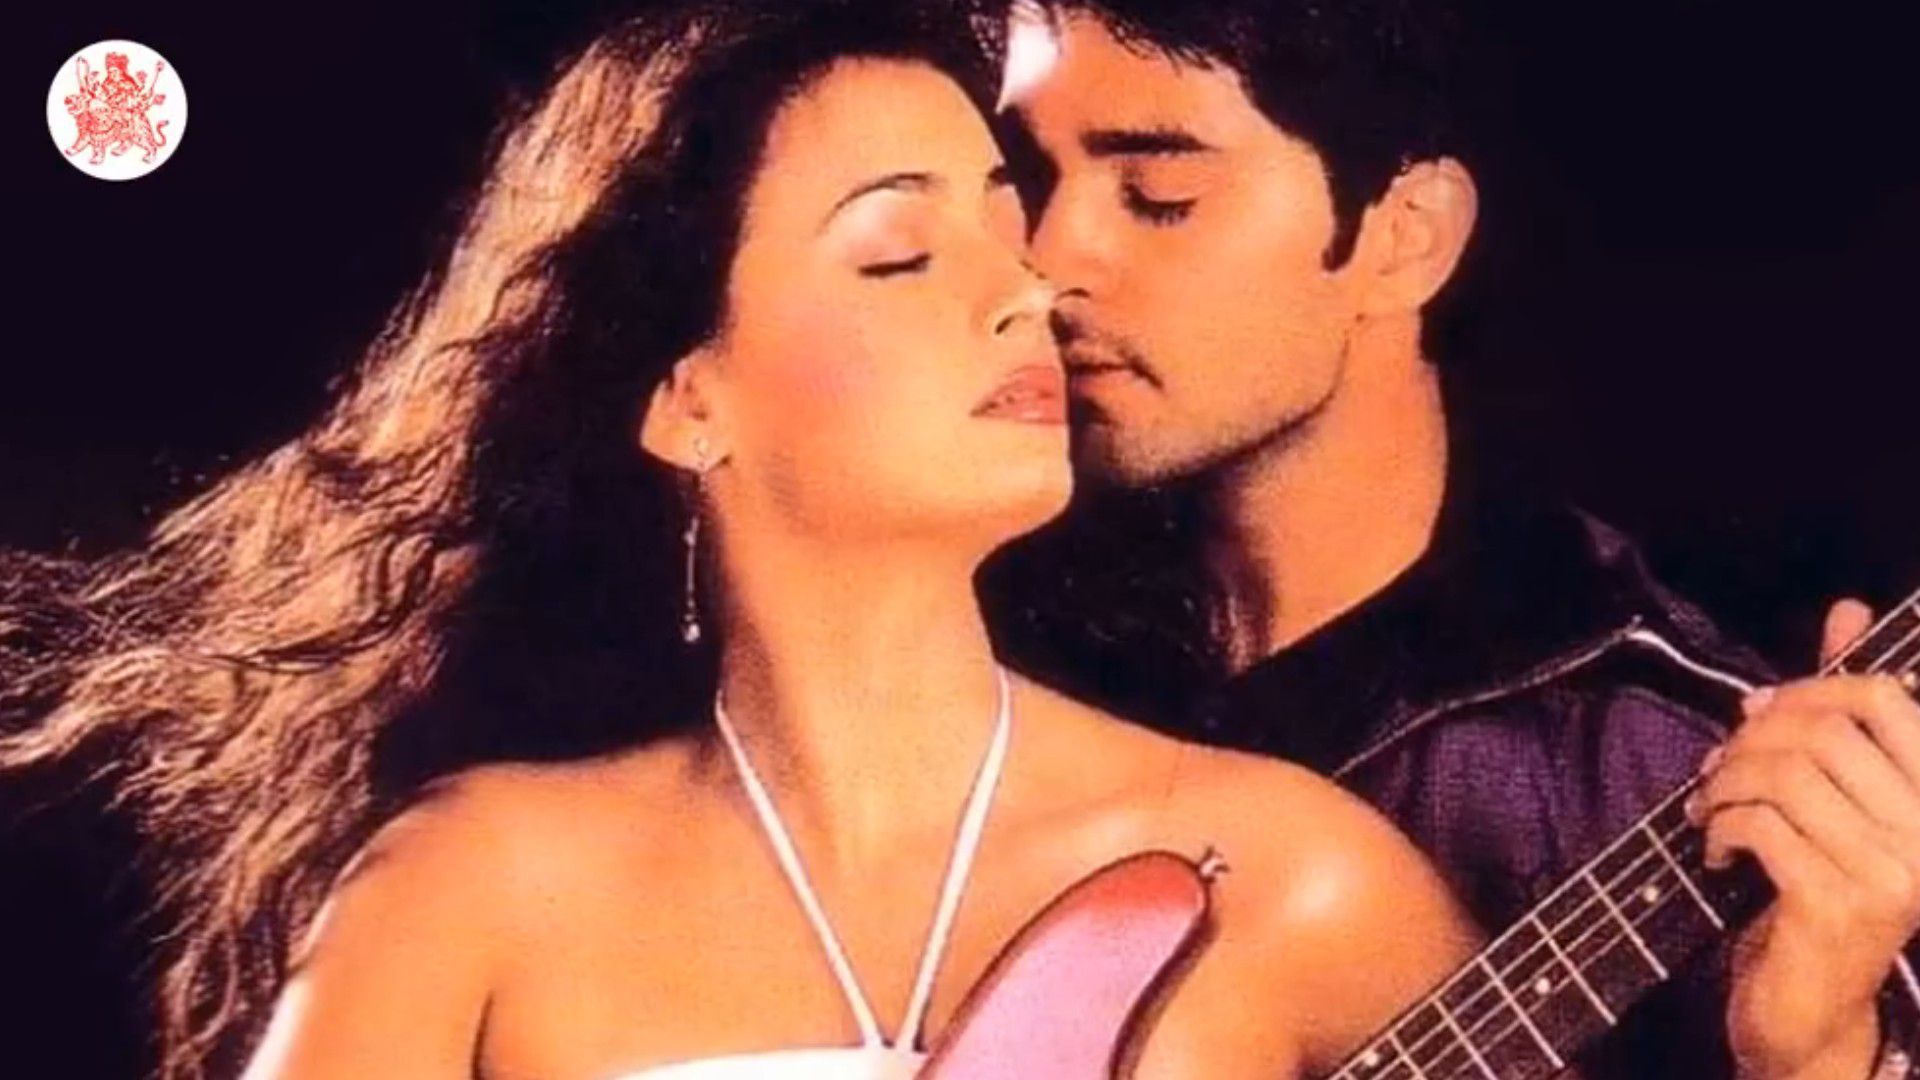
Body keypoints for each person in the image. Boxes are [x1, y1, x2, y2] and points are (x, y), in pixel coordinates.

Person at [0, 2, 1482, 1077]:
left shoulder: (1294, 882)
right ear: (688, 399)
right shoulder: (475, 890)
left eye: (1003, 227)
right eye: (901, 253)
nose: (1026, 294)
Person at [980, 1, 1920, 1077]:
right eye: (1028, 184)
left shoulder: (1638, 751)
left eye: (1160, 196)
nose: (1047, 262)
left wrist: (1825, 1058)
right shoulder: (983, 634)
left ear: (1406, 237)